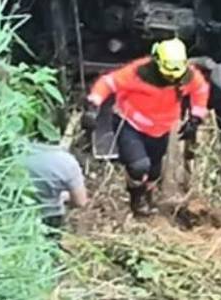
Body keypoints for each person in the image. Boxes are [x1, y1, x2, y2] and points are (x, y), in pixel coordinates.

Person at [87, 38, 210, 217]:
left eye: (175, 75)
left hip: (160, 129)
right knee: (139, 166)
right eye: (168, 74)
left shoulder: (187, 76)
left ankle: (148, 195)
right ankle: (136, 199)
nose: (171, 79)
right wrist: (93, 105)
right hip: (130, 123)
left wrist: (196, 117)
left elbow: (200, 90)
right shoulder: (138, 73)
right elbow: (108, 83)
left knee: (154, 171)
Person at [22, 142, 89, 238]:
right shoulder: (68, 163)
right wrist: (64, 197)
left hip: (18, 212)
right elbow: (80, 202)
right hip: (49, 215)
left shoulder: (20, 149)